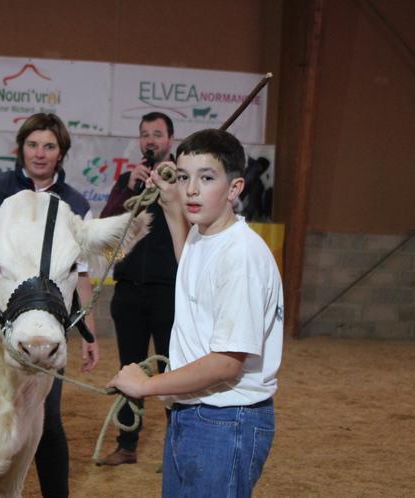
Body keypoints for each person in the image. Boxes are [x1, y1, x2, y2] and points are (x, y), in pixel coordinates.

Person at [107, 129, 283, 497]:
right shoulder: (204, 235)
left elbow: (226, 363)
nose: (191, 189)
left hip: (226, 419)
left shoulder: (242, 256)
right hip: (194, 412)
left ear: (235, 189)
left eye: (207, 178)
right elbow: (188, 263)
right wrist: (172, 209)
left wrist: (146, 386)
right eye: (184, 177)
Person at [0, 113, 97, 498]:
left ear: (61, 154)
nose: (39, 154)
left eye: (49, 146)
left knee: (47, 421)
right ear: (20, 148)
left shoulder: (75, 206)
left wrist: (88, 332)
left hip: (44, 330)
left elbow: (83, 276)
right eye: (32, 145)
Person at [97, 112, 178, 466]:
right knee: (130, 369)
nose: (150, 141)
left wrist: (169, 190)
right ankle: (126, 446)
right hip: (128, 291)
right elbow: (106, 226)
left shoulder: (182, 180)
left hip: (168, 292)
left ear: (170, 140)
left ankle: (178, 449)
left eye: (157, 134)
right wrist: (127, 186)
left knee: (173, 373)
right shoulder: (128, 181)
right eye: (145, 134)